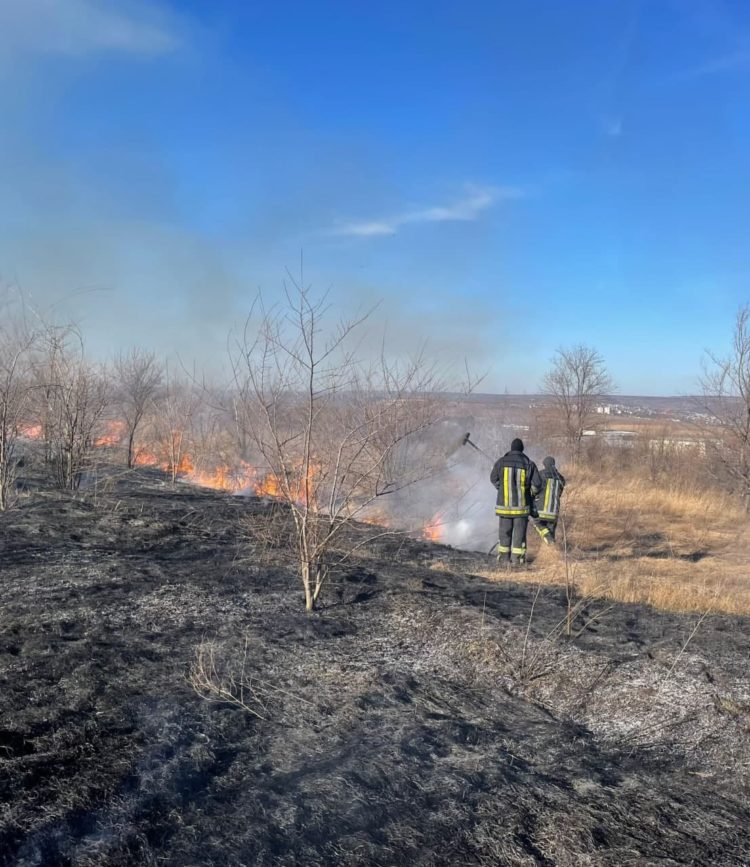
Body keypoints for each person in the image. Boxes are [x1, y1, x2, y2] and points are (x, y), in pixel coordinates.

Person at [490, 438, 542, 566]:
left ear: (511, 448)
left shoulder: (501, 462)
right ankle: (517, 560)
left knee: (504, 533)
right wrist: (531, 493)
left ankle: (504, 559)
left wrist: (501, 488)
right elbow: (537, 484)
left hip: (504, 507)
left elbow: (493, 478)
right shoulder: (529, 464)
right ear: (522, 449)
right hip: (521, 508)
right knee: (519, 535)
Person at [532, 456, 566, 544]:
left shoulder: (540, 474)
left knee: (537, 523)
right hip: (554, 512)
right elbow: (559, 493)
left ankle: (549, 539)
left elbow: (535, 489)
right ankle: (551, 549)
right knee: (550, 533)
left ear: (544, 464)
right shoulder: (560, 478)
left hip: (541, 511)